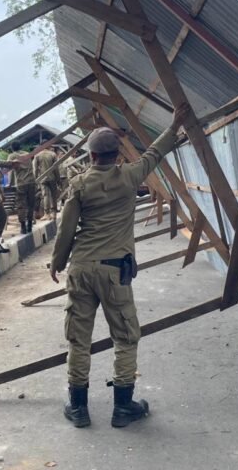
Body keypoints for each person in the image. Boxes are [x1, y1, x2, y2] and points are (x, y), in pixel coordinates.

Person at [50, 104, 188, 429]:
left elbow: (66, 229)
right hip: (115, 272)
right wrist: (174, 126)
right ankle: (123, 407)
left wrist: (57, 263)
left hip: (81, 269)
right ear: (116, 154)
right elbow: (155, 153)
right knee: (125, 338)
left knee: (78, 341)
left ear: (92, 156)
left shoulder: (79, 185)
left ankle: (79, 408)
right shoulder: (130, 176)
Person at [7, 141, 35, 235]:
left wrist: (10, 184)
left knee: (21, 205)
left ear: (12, 148)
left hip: (21, 183)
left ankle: (23, 226)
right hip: (31, 181)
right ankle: (30, 225)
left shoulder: (12, 156)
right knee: (30, 204)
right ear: (20, 146)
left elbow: (10, 170)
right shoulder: (27, 154)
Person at [34, 147, 60, 220]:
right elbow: (56, 168)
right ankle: (54, 213)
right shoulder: (53, 154)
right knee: (53, 195)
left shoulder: (37, 155)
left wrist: (36, 179)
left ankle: (47, 214)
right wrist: (58, 180)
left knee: (45, 195)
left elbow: (35, 169)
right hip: (52, 178)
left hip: (43, 179)